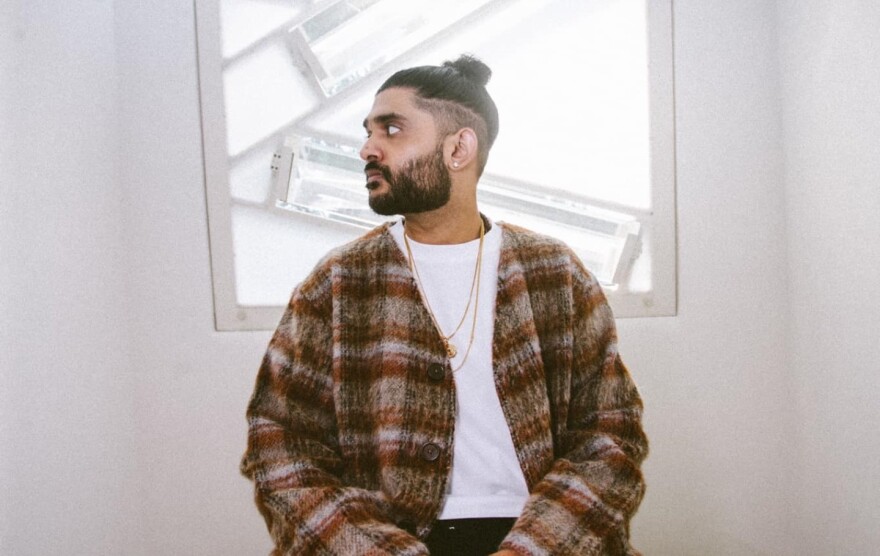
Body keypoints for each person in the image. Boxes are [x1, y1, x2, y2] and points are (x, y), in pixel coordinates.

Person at [240, 54, 648, 556]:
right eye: (368, 131)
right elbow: (279, 442)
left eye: (391, 129)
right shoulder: (340, 281)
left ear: (459, 147)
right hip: (383, 536)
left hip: (543, 532)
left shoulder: (554, 272)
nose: (367, 148)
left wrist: (537, 547)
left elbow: (610, 436)